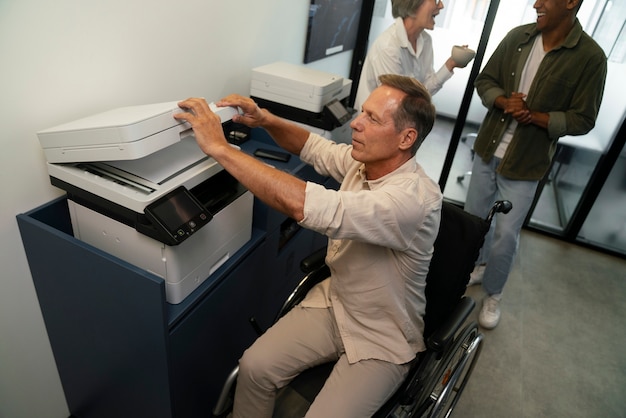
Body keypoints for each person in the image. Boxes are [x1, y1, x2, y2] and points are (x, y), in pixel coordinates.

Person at [173, 74, 442, 418]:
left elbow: (310, 206)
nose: (356, 124)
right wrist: (265, 119)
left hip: (381, 335)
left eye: (372, 119)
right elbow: (312, 147)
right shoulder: (365, 165)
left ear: (407, 138)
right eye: (362, 112)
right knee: (254, 367)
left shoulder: (411, 201)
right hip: (338, 303)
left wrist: (220, 148)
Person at [464, 0, 607, 330]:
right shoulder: (518, 37)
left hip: (526, 164)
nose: (535, 4)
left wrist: (539, 118)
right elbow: (484, 81)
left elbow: (584, 119)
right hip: (488, 149)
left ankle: (494, 293)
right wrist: (503, 100)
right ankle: (477, 266)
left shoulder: (591, 57)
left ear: (570, 3)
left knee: (505, 235)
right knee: (474, 221)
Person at [354, 0, 469, 110]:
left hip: (400, 119)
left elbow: (423, 91)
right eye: (436, 0)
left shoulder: (426, 40)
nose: (441, 5)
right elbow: (396, 101)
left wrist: (451, 64)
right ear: (413, 4)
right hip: (374, 123)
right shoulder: (388, 46)